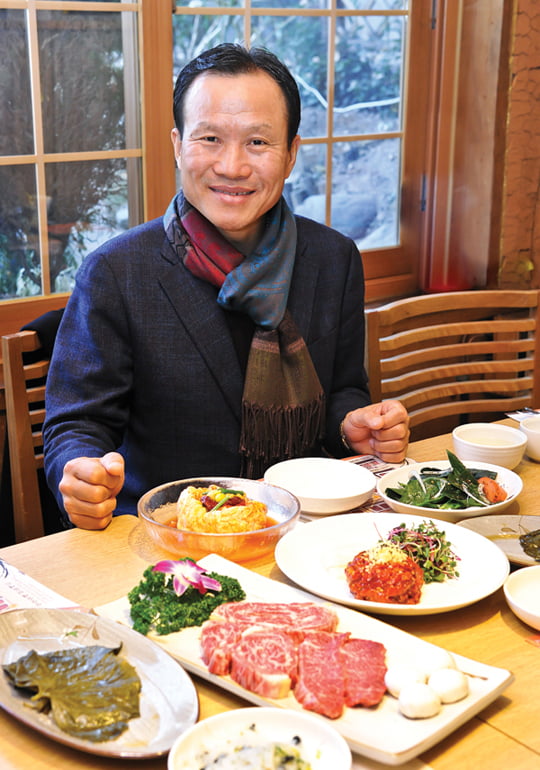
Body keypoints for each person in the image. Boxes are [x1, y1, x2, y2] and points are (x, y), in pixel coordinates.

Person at [43, 43, 409, 531]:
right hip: (169, 542)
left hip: (303, 533)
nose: (233, 167)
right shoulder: (117, 271)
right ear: (177, 145)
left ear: (292, 152)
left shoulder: (332, 258)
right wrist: (81, 471)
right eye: (210, 138)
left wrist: (351, 425)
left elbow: (343, 387)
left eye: (258, 142)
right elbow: (77, 425)